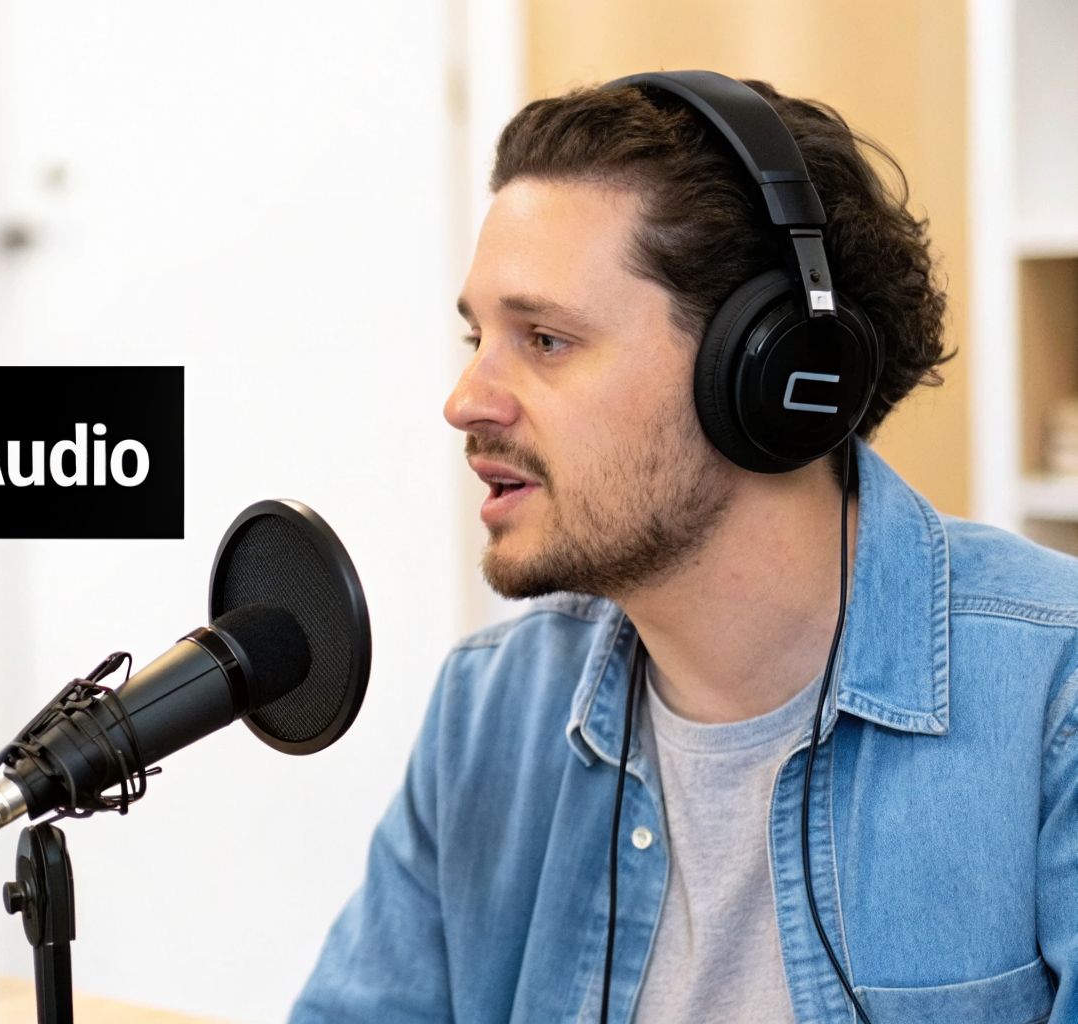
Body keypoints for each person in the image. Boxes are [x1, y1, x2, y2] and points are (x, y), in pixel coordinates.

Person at [290, 72, 1078, 1023]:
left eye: (544, 339)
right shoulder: (492, 707)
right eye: (477, 338)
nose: (466, 401)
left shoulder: (1051, 696)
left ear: (776, 372)